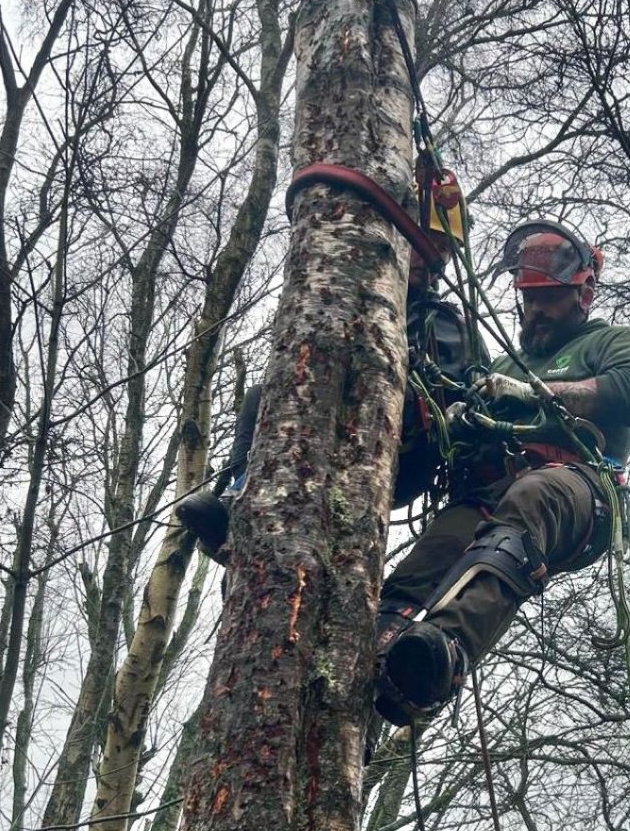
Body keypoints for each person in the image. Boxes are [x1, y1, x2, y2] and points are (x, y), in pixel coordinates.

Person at [374, 220, 630, 727]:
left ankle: (447, 647)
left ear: (583, 293)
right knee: (431, 557)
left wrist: (538, 392)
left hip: (577, 486)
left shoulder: (614, 342)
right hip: (492, 491)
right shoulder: (507, 360)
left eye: (549, 297)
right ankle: (381, 664)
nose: (535, 310)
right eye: (528, 298)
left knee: (533, 496)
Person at [175, 200, 483, 566]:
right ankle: (239, 500)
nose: (429, 259)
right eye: (423, 243)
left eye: (440, 251)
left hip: (407, 448)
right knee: (262, 396)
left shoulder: (446, 323)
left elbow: (461, 391)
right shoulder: (361, 296)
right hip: (338, 427)